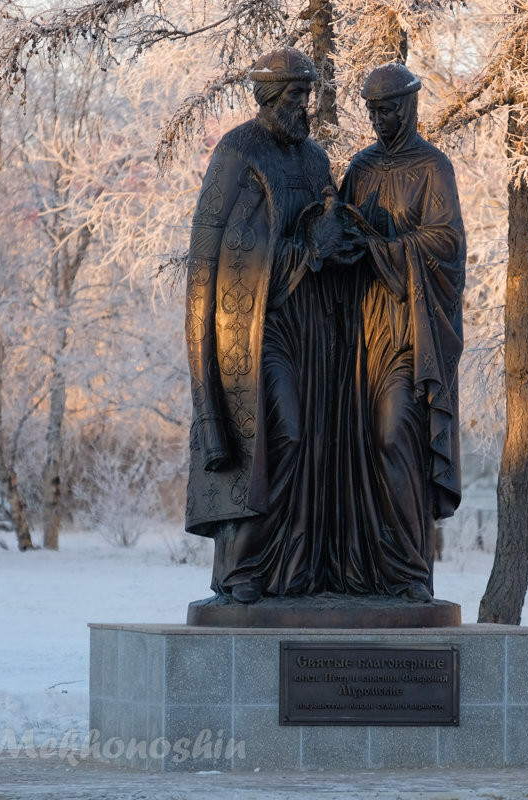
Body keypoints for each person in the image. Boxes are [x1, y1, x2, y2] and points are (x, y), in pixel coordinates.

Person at [184, 47, 353, 606]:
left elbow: (330, 229)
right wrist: (307, 251)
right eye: (295, 96)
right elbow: (213, 255)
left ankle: (296, 569)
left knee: (315, 446)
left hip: (316, 326)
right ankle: (241, 568)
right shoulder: (237, 151)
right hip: (256, 329)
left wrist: (337, 244)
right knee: (282, 433)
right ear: (269, 98)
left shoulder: (315, 159)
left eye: (307, 94)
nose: (305, 106)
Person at [333, 62, 467, 601]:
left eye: (387, 109)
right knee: (359, 446)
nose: (379, 119)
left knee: (394, 436)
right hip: (362, 328)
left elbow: (448, 246)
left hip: (411, 331)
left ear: (411, 106)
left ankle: (411, 571)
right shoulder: (360, 169)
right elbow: (339, 235)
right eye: (372, 111)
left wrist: (388, 241)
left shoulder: (434, 168)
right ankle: (363, 572)